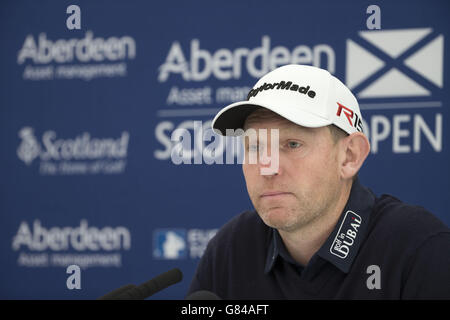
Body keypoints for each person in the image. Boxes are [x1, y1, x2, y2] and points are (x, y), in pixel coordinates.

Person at [187, 64, 450, 299]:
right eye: (255, 147)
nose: (267, 167)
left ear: (349, 156)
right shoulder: (231, 249)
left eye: (292, 144)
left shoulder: (419, 250)